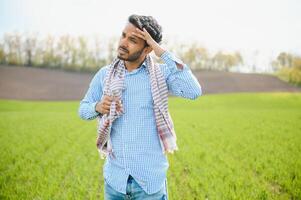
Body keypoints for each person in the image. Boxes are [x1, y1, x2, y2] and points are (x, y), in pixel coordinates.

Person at [78, 14, 202, 200]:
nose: (123, 43)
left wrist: (161, 52)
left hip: (149, 185)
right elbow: (83, 109)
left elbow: (193, 91)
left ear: (147, 49)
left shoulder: (161, 74)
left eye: (133, 40)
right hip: (115, 183)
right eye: (123, 36)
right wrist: (97, 107)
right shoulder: (105, 75)